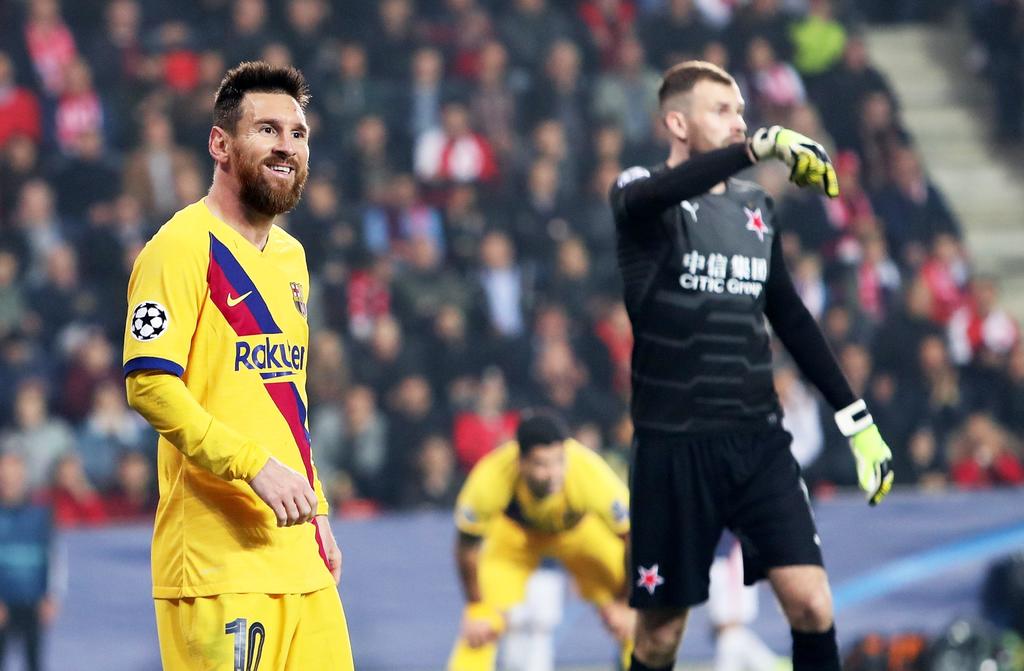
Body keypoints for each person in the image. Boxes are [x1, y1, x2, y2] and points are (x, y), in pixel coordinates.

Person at [607, 60, 894, 671]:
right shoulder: (641, 191)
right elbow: (648, 196)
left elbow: (789, 317)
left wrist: (856, 417)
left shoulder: (755, 207)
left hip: (758, 440)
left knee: (812, 603)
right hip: (673, 447)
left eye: (741, 111)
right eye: (722, 111)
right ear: (677, 123)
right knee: (658, 638)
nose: (739, 122)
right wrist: (756, 149)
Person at [122, 61, 353, 670]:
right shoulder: (179, 246)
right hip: (216, 565)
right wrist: (254, 467)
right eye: (267, 130)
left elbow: (286, 400)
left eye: (298, 134)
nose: (287, 146)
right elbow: (149, 385)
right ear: (220, 145)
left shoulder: (292, 258)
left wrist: (317, 508)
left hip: (299, 560)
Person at [448, 410, 635, 671]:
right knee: (480, 628)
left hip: (580, 535)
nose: (553, 473)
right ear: (521, 462)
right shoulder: (491, 477)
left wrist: (626, 601)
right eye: (541, 464)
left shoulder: (588, 472)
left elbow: (634, 538)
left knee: (635, 619)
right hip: (515, 539)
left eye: (559, 461)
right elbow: (467, 548)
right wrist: (476, 607)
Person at [0, 451, 59, 671]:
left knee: (34, 662)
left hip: (33, 602)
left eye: (14, 475)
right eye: (5, 476)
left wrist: (52, 594)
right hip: (3, 602)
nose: (10, 481)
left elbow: (54, 554)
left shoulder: (40, 513)